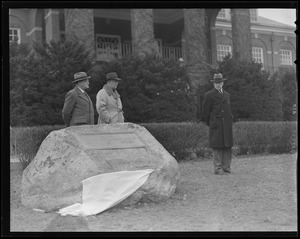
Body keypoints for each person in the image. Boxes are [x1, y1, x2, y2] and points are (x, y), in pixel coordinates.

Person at [202, 73, 234, 175]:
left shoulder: (227, 95)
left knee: (227, 147)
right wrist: (212, 123)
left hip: (227, 125)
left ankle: (226, 168)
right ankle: (218, 169)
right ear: (214, 84)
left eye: (220, 82)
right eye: (216, 83)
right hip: (216, 125)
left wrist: (230, 121)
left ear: (223, 83)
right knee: (217, 147)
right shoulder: (209, 95)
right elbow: (205, 113)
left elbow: (228, 110)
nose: (218, 85)